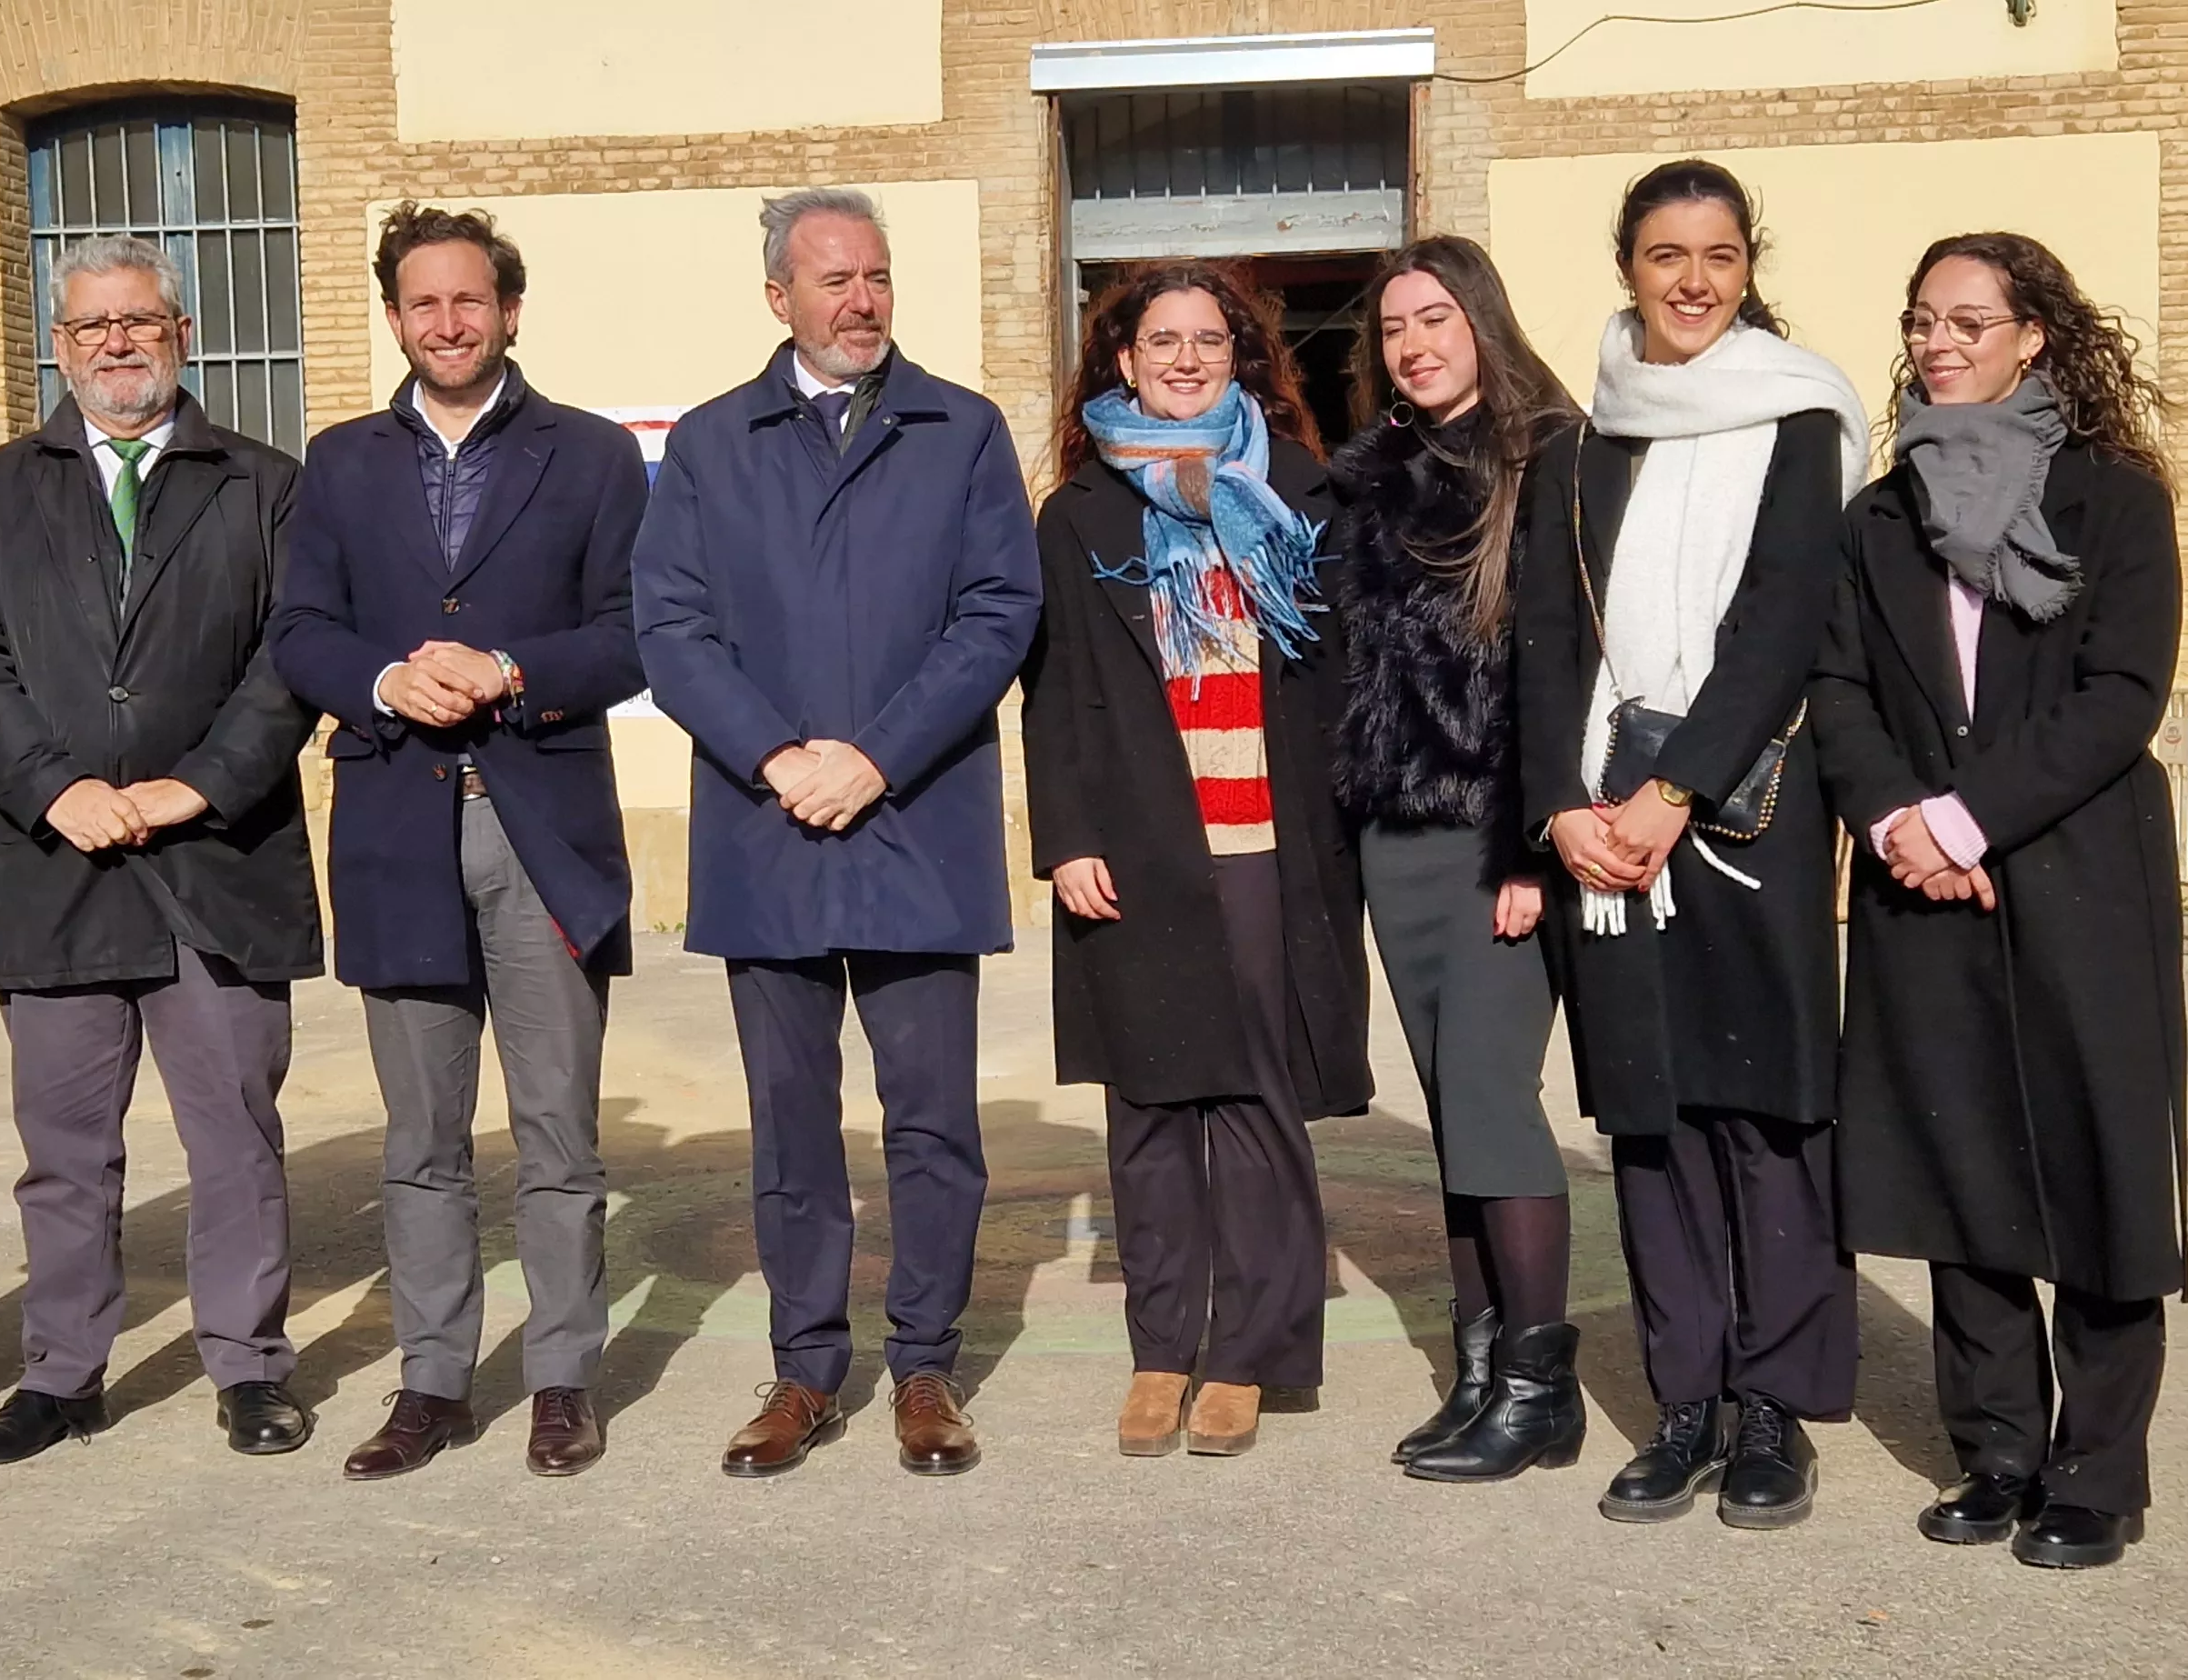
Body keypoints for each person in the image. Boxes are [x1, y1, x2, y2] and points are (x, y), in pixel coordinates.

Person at [632, 187, 1041, 1478]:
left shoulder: (961, 431)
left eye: (875, 277)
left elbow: (996, 614)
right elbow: (672, 632)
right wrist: (776, 755)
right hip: (769, 833)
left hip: (916, 821)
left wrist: (874, 756)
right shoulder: (708, 445)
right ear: (779, 300)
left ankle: (925, 1366)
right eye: (832, 282)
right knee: (790, 1123)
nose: (860, 301)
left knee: (933, 1125)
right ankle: (806, 1369)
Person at [1809, 231, 2188, 1570]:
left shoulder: (2114, 502)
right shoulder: (1880, 517)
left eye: (1970, 321)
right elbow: (1840, 691)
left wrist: (1968, 814)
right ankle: (1998, 1451)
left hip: (2079, 879)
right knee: (1955, 1170)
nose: (1939, 343)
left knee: (2095, 1173)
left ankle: (2098, 1470)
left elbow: (2119, 699)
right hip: (1926, 886)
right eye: (1922, 321)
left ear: (2034, 336)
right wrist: (1900, 822)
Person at [266, 204, 648, 1479]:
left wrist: (507, 667)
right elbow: (300, 629)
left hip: (541, 826)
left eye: (469, 301)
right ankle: (431, 1382)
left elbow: (634, 631)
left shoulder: (589, 457)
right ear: (394, 318)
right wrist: (383, 684)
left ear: (510, 311)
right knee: (421, 1142)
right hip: (396, 825)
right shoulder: (338, 461)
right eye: (422, 303)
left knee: (557, 1135)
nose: (447, 323)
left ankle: (559, 1378)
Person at [1515, 160, 1871, 1528]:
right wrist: (1564, 805)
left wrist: (1676, 792)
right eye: (1667, 254)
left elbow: (1786, 618)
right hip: (1604, 819)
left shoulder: (1799, 414)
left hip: (1752, 805)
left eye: (1718, 254)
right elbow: (1550, 637)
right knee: (1650, 1114)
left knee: (1768, 1108)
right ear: (1628, 267)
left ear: (1748, 262)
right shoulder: (1581, 438)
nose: (1694, 281)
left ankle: (1774, 1407)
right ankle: (1687, 1401)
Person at [0, 235, 322, 1467]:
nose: (115, 343)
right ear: (60, 346)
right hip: (60, 874)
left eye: (137, 321)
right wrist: (56, 792)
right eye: (90, 325)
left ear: (180, 334)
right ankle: (62, 1373)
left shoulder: (263, 484)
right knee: (64, 1154)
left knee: (235, 1141)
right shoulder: (2, 487)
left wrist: (187, 788)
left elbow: (287, 663)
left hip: (217, 864)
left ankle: (250, 1366)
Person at [1026, 263, 1367, 1459]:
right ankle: (1162, 1348)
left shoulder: (1305, 495)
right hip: (1134, 843)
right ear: (1122, 360)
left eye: (1206, 341)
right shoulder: (1080, 515)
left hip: (1270, 840)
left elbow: (1338, 677)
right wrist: (1064, 837)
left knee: (1258, 1099)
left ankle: (1250, 1354)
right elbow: (1058, 688)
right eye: (1159, 341)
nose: (1182, 360)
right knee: (1154, 1105)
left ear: (1241, 357)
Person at [1327, 235, 1588, 1484]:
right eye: (1394, 328)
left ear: (1484, 318)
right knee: (1450, 1113)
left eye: (1437, 318)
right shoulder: (1372, 476)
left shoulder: (1547, 457)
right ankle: (1481, 1368)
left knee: (1493, 1100)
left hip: (1500, 841)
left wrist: (1534, 840)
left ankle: (1542, 1388)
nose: (1416, 344)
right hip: (1397, 838)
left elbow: (1564, 671)